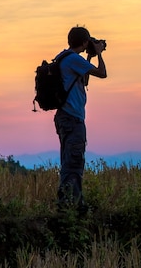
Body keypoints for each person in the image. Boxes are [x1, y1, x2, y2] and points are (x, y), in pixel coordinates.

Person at [54, 26, 107, 210]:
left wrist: (90, 56)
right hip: (73, 118)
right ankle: (71, 205)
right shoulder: (74, 59)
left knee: (68, 160)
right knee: (74, 162)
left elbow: (83, 81)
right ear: (85, 42)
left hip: (63, 117)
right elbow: (102, 73)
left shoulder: (64, 57)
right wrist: (99, 53)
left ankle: (69, 202)